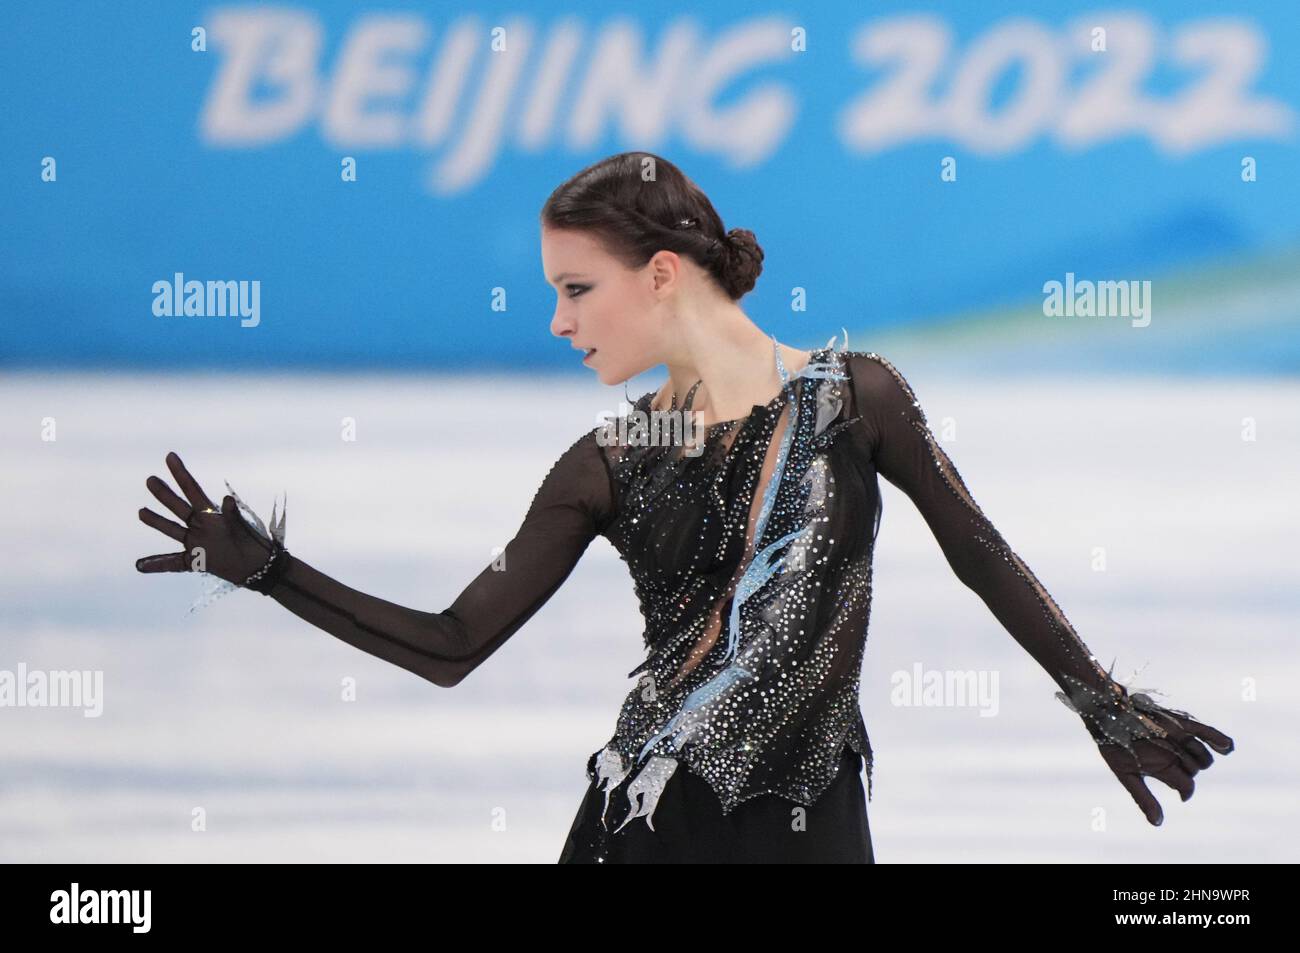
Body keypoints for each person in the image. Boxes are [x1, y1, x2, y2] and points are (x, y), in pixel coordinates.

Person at [137, 151, 1234, 864]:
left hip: (816, 823)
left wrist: (1103, 698)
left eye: (576, 289)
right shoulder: (610, 458)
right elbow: (452, 643)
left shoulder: (857, 398)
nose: (560, 324)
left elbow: (979, 553)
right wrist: (271, 568)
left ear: (661, 273)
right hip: (648, 827)